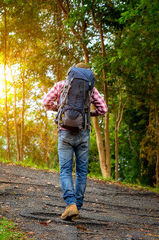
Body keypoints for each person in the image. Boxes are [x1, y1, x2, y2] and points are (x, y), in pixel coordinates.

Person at [42, 62, 107, 220]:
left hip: (64, 132)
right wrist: (89, 114)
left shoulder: (61, 85)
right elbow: (103, 108)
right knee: (82, 172)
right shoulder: (90, 88)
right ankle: (77, 206)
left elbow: (46, 102)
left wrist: (61, 109)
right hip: (83, 132)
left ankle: (70, 205)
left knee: (65, 170)